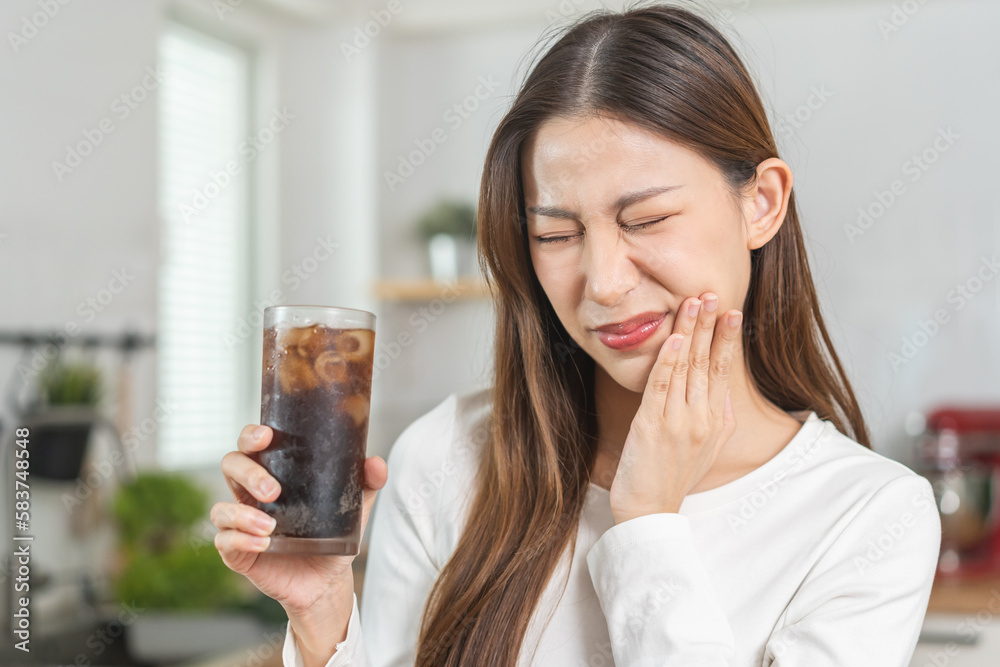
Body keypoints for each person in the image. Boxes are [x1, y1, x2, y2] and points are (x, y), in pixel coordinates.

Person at [212, 4, 942, 666]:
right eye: (557, 233)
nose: (603, 282)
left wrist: (648, 523)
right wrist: (321, 620)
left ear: (762, 203)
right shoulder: (446, 457)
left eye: (645, 219)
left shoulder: (872, 517)